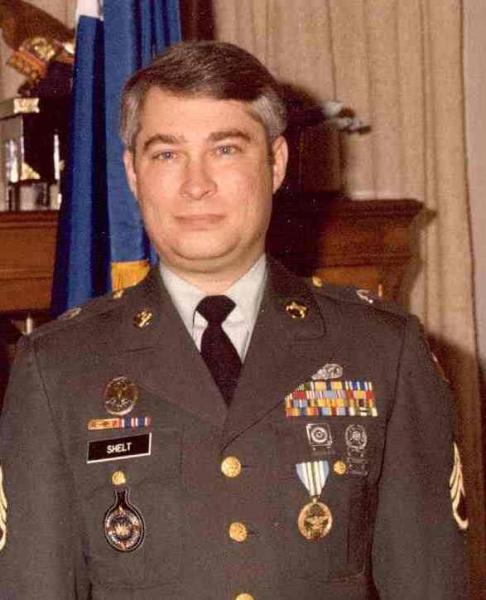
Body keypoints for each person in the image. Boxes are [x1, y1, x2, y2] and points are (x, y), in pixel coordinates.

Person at [0, 41, 468, 600]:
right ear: (132, 173)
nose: (196, 184)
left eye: (225, 149)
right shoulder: (57, 368)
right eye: (166, 154)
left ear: (276, 162)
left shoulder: (382, 350)